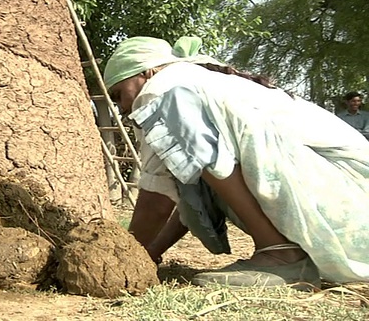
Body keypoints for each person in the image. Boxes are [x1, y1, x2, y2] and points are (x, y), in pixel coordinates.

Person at [103, 36, 369, 288]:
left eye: (118, 94)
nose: (121, 107)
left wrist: (121, 260)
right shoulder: (194, 82)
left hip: (348, 195)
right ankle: (280, 254)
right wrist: (148, 254)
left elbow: (156, 199)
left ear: (146, 72)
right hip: (351, 211)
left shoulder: (163, 91)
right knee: (191, 175)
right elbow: (189, 192)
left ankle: (281, 257)